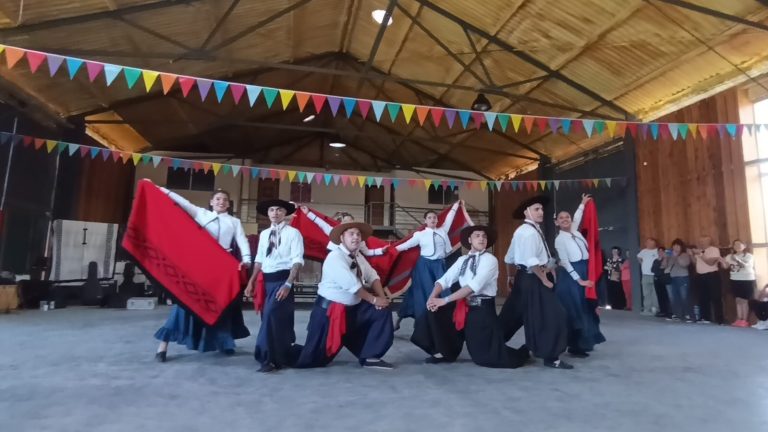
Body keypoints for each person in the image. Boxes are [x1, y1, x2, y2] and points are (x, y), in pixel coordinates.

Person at [154, 187, 251, 362]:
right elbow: (182, 201)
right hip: (201, 265)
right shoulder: (200, 213)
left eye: (225, 200)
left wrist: (246, 260)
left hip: (223, 267)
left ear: (228, 204)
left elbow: (242, 241)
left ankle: (225, 342)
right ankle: (163, 345)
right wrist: (158, 188)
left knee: (222, 306)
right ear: (212, 202)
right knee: (185, 303)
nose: (221, 201)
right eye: (218, 199)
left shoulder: (234, 222)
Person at [413, 225, 529, 368]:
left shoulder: (489, 260)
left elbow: (473, 287)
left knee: (484, 358)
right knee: (431, 312)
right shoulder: (462, 260)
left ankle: (524, 352)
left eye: (484, 236)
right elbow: (445, 280)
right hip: (463, 306)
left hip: (482, 311)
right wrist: (432, 297)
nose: (481, 238)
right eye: (477, 236)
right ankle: (445, 351)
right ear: (470, 240)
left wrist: (444, 300)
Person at [294, 221, 395, 369]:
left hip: (354, 310)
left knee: (381, 313)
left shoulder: (358, 256)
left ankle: (370, 357)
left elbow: (373, 276)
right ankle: (280, 351)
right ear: (342, 238)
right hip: (330, 314)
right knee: (314, 359)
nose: (356, 237)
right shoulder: (335, 257)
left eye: (358, 234)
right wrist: (374, 300)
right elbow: (352, 286)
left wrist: (382, 298)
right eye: (351, 234)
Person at [499, 195, 572, 370]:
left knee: (515, 314)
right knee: (553, 316)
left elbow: (508, 257)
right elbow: (531, 261)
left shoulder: (525, 230)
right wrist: (544, 280)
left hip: (524, 278)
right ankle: (551, 357)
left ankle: (493, 342)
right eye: (536, 209)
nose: (541, 212)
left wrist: (511, 277)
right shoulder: (529, 232)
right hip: (534, 278)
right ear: (527, 212)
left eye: (541, 209)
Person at [245, 199, 304, 372]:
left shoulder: (294, 234)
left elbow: (297, 260)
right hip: (267, 281)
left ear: (285, 213)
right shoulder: (264, 234)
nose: (275, 213)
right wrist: (252, 281)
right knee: (272, 319)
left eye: (279, 210)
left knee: (271, 316)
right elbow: (259, 260)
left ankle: (266, 358)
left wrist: (288, 284)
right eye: (272, 210)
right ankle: (281, 353)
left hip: (283, 280)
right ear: (268, 213)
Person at [394, 201, 463, 329]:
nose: (433, 219)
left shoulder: (443, 230)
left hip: (439, 266)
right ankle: (407, 320)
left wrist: (455, 205)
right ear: (425, 220)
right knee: (420, 293)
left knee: (443, 291)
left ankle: (443, 323)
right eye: (430, 217)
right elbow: (406, 245)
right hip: (424, 266)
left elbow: (450, 217)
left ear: (437, 220)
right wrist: (391, 250)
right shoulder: (420, 235)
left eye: (434, 217)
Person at [553, 194, 605, 358]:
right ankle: (574, 345)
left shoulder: (575, 231)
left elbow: (577, 217)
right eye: (561, 218)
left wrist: (582, 204)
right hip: (572, 277)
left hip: (584, 269)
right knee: (576, 309)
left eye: (567, 217)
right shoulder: (560, 240)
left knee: (586, 307)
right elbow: (566, 262)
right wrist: (579, 280)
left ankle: (583, 344)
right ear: (557, 222)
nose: (565, 219)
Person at [299, 206, 387, 256]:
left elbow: (366, 252)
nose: (348, 223)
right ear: (341, 223)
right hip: (333, 258)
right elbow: (322, 224)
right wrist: (308, 213)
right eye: (345, 221)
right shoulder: (335, 232)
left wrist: (381, 251)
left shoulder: (358, 238)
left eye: (350, 221)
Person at [721, 240, 756, 327]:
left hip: (747, 279)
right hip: (735, 279)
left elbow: (746, 266)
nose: (737, 246)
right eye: (735, 244)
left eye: (739, 244)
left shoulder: (749, 256)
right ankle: (739, 318)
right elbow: (725, 267)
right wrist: (722, 261)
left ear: (744, 246)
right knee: (738, 300)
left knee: (744, 300)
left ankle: (744, 320)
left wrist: (737, 259)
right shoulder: (730, 256)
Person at [691, 235, 724, 324]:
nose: (702, 243)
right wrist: (692, 255)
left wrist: (700, 253)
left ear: (709, 242)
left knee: (716, 297)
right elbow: (695, 263)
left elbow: (710, 262)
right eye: (700, 241)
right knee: (702, 297)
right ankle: (705, 317)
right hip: (700, 276)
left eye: (704, 241)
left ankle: (719, 319)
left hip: (712, 275)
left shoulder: (714, 250)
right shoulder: (699, 250)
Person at [665, 239, 694, 322]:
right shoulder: (671, 256)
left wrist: (677, 256)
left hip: (683, 278)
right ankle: (677, 314)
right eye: (674, 246)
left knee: (684, 297)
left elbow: (684, 264)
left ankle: (688, 315)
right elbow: (665, 266)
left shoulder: (684, 255)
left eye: (678, 246)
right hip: (673, 278)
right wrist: (665, 258)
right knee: (675, 297)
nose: (676, 247)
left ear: (681, 247)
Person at [637, 238, 660, 315]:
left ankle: (655, 308)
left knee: (655, 293)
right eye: (647, 242)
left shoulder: (657, 251)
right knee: (646, 293)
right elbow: (639, 257)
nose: (648, 244)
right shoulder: (644, 251)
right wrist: (642, 263)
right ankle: (647, 309)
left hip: (654, 275)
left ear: (654, 243)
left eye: (650, 242)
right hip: (645, 275)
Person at [651, 246, 671, 317]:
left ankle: (668, 311)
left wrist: (664, 259)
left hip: (664, 279)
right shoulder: (655, 260)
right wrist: (659, 268)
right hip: (657, 279)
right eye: (659, 251)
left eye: (661, 251)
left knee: (666, 295)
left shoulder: (667, 259)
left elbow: (664, 267)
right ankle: (662, 311)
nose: (660, 253)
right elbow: (652, 270)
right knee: (659, 296)